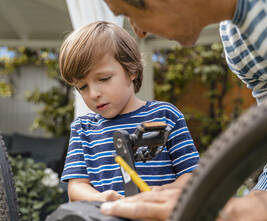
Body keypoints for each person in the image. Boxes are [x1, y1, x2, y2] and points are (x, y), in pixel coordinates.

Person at [100, 0, 267, 221]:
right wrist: (241, 210)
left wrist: (252, 218)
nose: (139, 31)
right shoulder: (237, 41)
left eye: (130, 13)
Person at [59, 21, 199, 202]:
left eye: (103, 78)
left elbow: (192, 176)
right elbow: (76, 187)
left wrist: (162, 192)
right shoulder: (83, 128)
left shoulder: (165, 116)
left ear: (131, 70)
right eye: (82, 87)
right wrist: (101, 198)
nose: (93, 94)